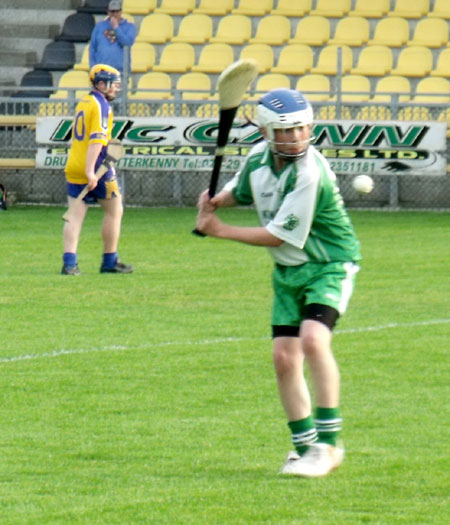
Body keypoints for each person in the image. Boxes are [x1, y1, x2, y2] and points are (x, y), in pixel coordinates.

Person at [196, 89, 361, 478]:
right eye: (287, 131)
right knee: (284, 359)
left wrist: (219, 230)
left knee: (313, 340)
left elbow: (279, 236)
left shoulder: (310, 173)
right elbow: (240, 192)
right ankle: (304, 449)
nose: (297, 138)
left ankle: (326, 445)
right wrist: (215, 201)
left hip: (328, 265)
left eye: (302, 128)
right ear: (267, 132)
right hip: (287, 273)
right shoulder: (257, 159)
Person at [62, 63, 133, 275]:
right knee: (114, 210)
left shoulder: (84, 101)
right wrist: (91, 172)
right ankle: (109, 261)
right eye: (113, 85)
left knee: (74, 215)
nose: (116, 89)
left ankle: (69, 264)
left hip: (74, 165)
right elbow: (96, 141)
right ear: (101, 84)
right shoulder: (102, 105)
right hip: (96, 167)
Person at [89, 0, 136, 75]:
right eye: (112, 11)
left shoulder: (129, 27)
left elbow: (127, 43)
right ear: (108, 12)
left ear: (121, 12)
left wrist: (116, 28)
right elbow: (93, 48)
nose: (114, 14)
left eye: (117, 11)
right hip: (101, 72)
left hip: (120, 72)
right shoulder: (99, 26)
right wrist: (93, 67)